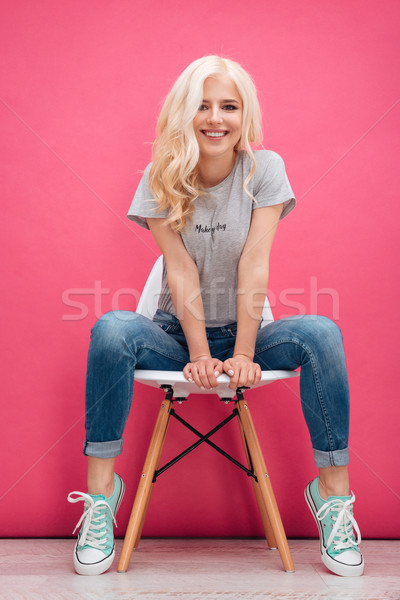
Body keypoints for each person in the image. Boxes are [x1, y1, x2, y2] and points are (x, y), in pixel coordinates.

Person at [67, 55, 363, 577]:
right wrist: (200, 354)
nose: (216, 118)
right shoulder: (161, 175)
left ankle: (333, 497)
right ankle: (100, 498)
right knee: (110, 328)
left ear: (244, 115)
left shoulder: (265, 169)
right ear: (185, 112)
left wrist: (243, 352)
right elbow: (177, 267)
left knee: (322, 331)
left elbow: (254, 261)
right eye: (203, 105)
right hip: (174, 335)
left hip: (246, 330)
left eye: (229, 106)